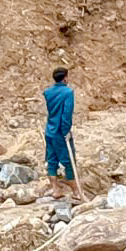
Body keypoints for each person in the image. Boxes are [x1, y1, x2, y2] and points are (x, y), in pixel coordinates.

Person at [43, 68, 79, 199]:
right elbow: (66, 114)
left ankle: (55, 189)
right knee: (68, 159)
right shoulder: (68, 92)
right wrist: (66, 131)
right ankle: (76, 190)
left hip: (49, 130)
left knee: (51, 159)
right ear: (65, 78)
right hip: (60, 131)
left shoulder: (48, 92)